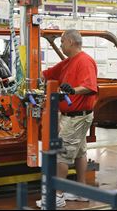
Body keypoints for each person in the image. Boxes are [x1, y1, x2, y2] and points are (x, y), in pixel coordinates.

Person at [36, 29, 98, 208]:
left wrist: (72, 90)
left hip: (76, 117)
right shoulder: (67, 62)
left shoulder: (85, 61)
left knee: (61, 154)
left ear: (71, 41)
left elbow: (89, 86)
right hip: (71, 116)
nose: (61, 44)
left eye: (62, 41)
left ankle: (57, 195)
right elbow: (46, 74)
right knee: (79, 152)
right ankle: (81, 191)